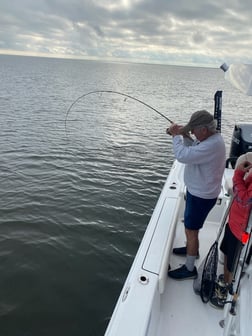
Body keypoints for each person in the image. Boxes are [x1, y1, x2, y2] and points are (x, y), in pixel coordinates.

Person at [166, 110, 226, 280]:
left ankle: (190, 268)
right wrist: (184, 135)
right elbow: (192, 148)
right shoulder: (209, 139)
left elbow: (183, 155)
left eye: (193, 129)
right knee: (190, 227)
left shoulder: (212, 145)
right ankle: (192, 249)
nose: (191, 132)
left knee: (191, 230)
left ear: (204, 130)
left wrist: (176, 136)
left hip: (202, 196)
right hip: (198, 192)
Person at [210, 154, 252, 309]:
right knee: (226, 253)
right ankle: (225, 280)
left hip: (242, 231)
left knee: (234, 263)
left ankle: (225, 293)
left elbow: (243, 199)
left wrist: (238, 174)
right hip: (233, 224)